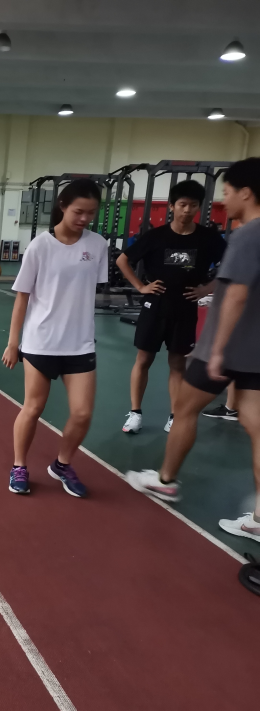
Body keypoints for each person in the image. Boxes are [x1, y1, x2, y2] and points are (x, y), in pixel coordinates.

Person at [126, 157, 260, 543]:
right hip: (255, 352)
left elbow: (235, 295)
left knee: (184, 409)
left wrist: (216, 350)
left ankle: (166, 480)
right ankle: (258, 519)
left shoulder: (246, 236)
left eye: (228, 192)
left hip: (227, 348)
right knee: (256, 425)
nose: (225, 200)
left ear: (246, 193)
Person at [2, 179, 107, 498]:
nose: (84, 218)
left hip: (79, 344)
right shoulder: (40, 246)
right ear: (62, 206)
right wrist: (13, 342)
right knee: (33, 408)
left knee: (83, 413)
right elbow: (22, 297)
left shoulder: (98, 245)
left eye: (91, 213)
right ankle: (19, 466)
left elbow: (87, 291)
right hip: (41, 342)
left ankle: (62, 464)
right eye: (78, 211)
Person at [117, 180, 226, 434]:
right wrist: (140, 286)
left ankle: (174, 416)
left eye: (193, 205)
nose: (187, 210)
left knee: (177, 364)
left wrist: (206, 289)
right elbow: (123, 260)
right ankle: (135, 413)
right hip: (155, 305)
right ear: (172, 206)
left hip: (185, 308)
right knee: (143, 359)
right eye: (182, 204)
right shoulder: (156, 236)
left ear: (199, 207)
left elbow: (231, 266)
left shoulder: (208, 238)